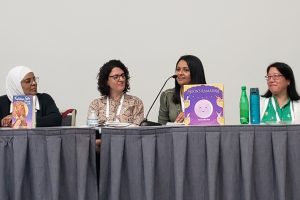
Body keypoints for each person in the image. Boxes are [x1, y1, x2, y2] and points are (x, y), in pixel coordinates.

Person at [87, 59, 144, 125]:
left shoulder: (135, 103)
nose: (121, 79)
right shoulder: (95, 104)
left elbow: (137, 132)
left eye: (123, 75)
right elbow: (91, 131)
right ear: (106, 81)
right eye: (116, 77)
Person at [158, 55, 207, 124]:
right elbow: (161, 127)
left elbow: (214, 122)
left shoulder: (208, 94)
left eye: (186, 70)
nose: (180, 73)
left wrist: (192, 114)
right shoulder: (167, 95)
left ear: (195, 73)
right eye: (178, 69)